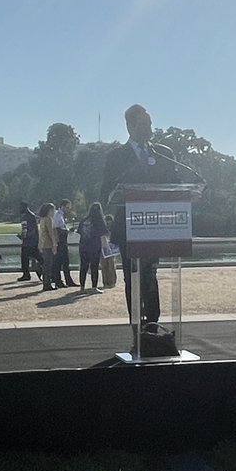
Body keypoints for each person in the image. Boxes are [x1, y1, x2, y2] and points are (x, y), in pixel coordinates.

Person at [100, 104, 176, 326]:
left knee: (150, 276)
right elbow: (106, 192)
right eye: (143, 124)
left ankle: (153, 325)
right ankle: (137, 327)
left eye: (150, 123)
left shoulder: (164, 153)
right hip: (128, 228)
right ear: (129, 126)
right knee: (133, 279)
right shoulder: (116, 157)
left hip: (155, 227)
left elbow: (176, 184)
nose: (149, 129)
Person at [77, 202, 110, 292]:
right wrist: (107, 248)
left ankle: (82, 287)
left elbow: (79, 233)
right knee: (94, 267)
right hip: (94, 247)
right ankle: (94, 287)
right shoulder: (99, 220)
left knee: (83, 267)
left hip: (83, 246)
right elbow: (103, 235)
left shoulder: (84, 220)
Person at [16, 202, 44, 282]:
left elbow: (28, 229)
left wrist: (23, 236)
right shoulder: (31, 216)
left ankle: (27, 274)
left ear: (24, 207)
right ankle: (43, 271)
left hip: (29, 242)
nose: (19, 209)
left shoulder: (26, 216)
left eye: (20, 207)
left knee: (25, 258)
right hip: (32, 241)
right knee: (38, 257)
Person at [53, 199, 76, 287]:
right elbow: (55, 229)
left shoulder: (61, 215)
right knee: (59, 263)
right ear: (62, 206)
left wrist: (67, 231)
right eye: (67, 207)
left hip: (63, 241)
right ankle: (59, 281)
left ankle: (67, 280)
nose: (68, 209)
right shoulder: (57, 215)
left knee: (65, 262)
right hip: (60, 242)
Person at [37, 202, 58, 291]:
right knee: (48, 265)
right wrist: (54, 244)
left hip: (43, 243)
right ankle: (47, 284)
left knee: (46, 264)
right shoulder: (48, 219)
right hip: (48, 244)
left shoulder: (42, 219)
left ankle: (46, 283)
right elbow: (51, 233)